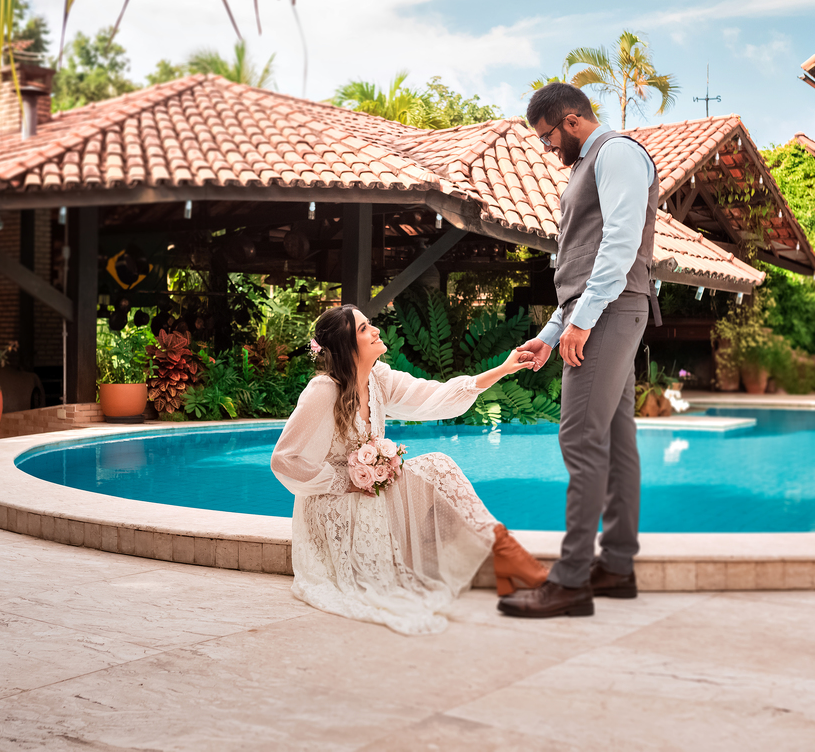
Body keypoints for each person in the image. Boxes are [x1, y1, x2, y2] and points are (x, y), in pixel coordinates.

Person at [270, 305, 548, 635]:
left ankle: (506, 551)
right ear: (347, 346)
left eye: (369, 324)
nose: (375, 331)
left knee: (439, 465)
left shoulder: (379, 378)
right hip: (332, 503)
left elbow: (436, 395)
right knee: (425, 473)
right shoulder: (323, 390)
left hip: (369, 487)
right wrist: (347, 478)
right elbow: (285, 459)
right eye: (363, 329)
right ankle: (501, 558)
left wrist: (502, 369)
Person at [500, 82, 658, 619]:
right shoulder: (587, 165)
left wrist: (582, 323)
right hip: (603, 312)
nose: (548, 149)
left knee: (580, 440)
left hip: (609, 313)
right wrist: (549, 336)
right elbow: (582, 268)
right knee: (615, 438)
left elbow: (618, 242)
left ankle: (569, 582)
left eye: (548, 138)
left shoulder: (615, 153)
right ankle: (615, 567)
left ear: (571, 121)